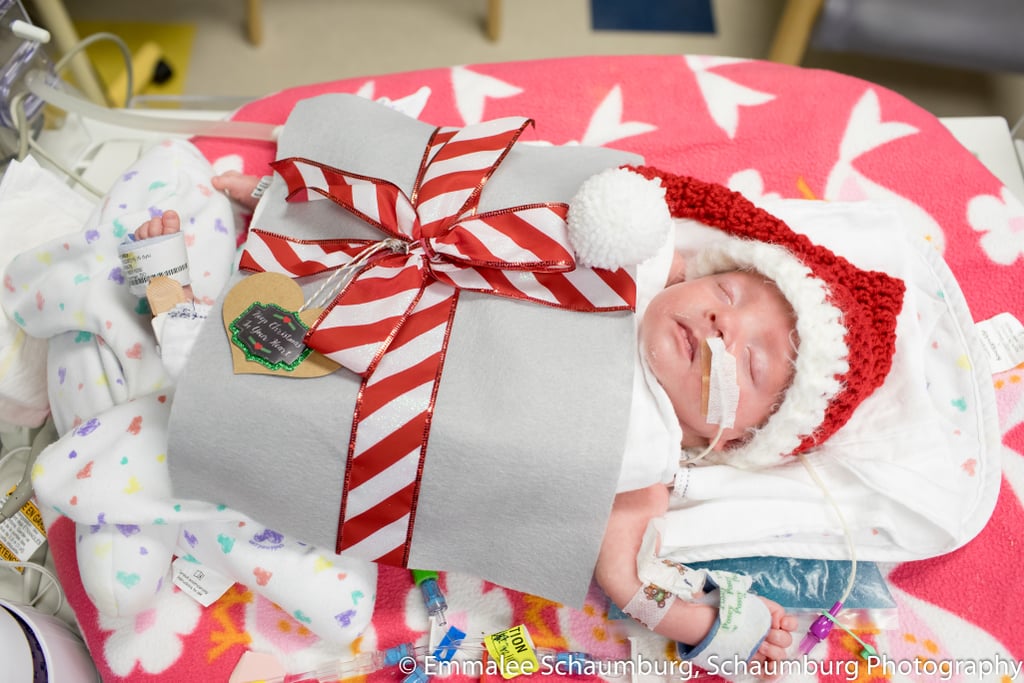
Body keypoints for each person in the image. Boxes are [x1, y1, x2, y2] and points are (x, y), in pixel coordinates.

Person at [129, 165, 904, 676]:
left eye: (754, 364)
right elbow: (502, 208)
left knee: (275, 387)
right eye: (727, 295)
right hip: (425, 292)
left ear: (730, 437)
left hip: (420, 403)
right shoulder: (618, 264)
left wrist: (716, 623)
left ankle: (176, 309)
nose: (723, 327)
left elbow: (627, 579)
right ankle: (281, 213)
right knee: (353, 267)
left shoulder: (651, 451)